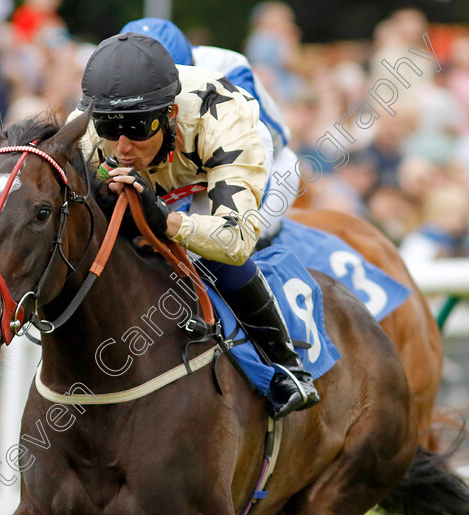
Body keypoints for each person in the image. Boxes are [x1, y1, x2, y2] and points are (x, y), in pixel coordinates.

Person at [71, 33, 319, 419]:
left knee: (210, 252)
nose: (121, 147)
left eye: (137, 129)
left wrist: (166, 219)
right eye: (109, 128)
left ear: (168, 114)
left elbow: (235, 240)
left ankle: (287, 366)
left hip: (210, 162)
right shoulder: (86, 130)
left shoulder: (225, 118)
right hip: (164, 157)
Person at [119, 18, 299, 240]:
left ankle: (257, 272)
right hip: (193, 169)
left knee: (223, 243)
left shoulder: (230, 71)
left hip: (264, 163)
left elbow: (245, 154)